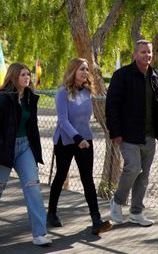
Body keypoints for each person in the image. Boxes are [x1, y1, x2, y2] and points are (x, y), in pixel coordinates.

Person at [0, 62, 52, 246]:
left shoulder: (30, 98)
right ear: (14, 76)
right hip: (5, 150)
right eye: (23, 74)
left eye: (28, 75)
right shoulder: (2, 98)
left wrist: (35, 149)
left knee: (33, 186)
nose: (27, 78)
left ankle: (40, 234)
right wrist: (0, 150)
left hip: (25, 147)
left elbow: (32, 126)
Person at [106, 39, 158, 227]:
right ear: (134, 54)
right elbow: (112, 106)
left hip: (150, 135)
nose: (147, 55)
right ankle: (117, 202)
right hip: (128, 134)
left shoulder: (156, 76)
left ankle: (136, 212)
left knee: (144, 176)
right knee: (133, 168)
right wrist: (115, 132)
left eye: (149, 52)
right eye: (143, 52)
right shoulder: (122, 76)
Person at [47, 57, 113, 235]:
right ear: (73, 71)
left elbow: (85, 118)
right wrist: (77, 138)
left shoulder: (87, 92)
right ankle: (51, 212)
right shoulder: (63, 92)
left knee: (87, 179)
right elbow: (63, 120)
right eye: (81, 69)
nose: (85, 72)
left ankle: (96, 219)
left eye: (86, 69)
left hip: (85, 140)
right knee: (61, 176)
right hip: (66, 140)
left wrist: (84, 138)